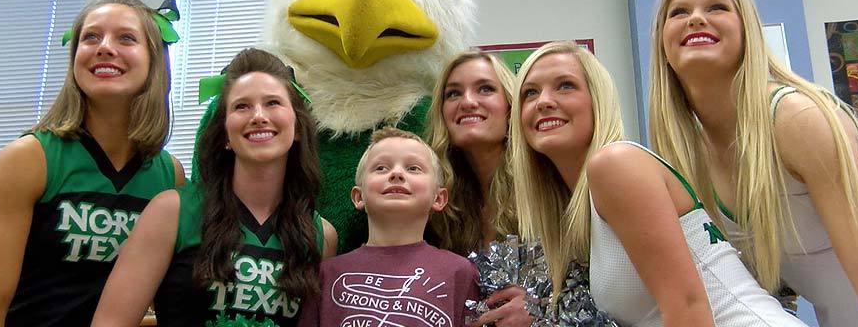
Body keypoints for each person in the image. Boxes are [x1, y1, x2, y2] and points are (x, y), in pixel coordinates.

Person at [511, 40, 807, 326]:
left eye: (565, 86)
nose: (544, 102)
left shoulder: (616, 164)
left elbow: (688, 309)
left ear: (597, 101)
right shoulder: (583, 200)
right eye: (530, 93)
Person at [648, 0, 858, 326]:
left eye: (717, 8)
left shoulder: (797, 120)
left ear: (747, 33)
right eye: (679, 12)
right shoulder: (687, 155)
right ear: (662, 45)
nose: (695, 19)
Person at [0, 0, 185, 327]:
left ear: (155, 60)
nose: (104, 47)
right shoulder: (29, 159)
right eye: (91, 37)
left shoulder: (168, 175)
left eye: (126, 38)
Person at [91, 48, 337, 326]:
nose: (258, 116)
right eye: (241, 106)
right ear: (224, 135)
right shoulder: (171, 211)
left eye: (272, 103)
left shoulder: (320, 235)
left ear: (298, 129)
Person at [298, 127, 479, 327]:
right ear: (359, 197)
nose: (396, 174)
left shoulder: (461, 273)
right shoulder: (326, 275)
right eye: (381, 168)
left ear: (438, 198)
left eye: (413, 168)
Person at [426, 51, 532, 327]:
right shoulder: (438, 203)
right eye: (453, 94)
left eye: (485, 89)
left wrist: (543, 309)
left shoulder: (546, 185)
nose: (468, 102)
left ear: (510, 104)